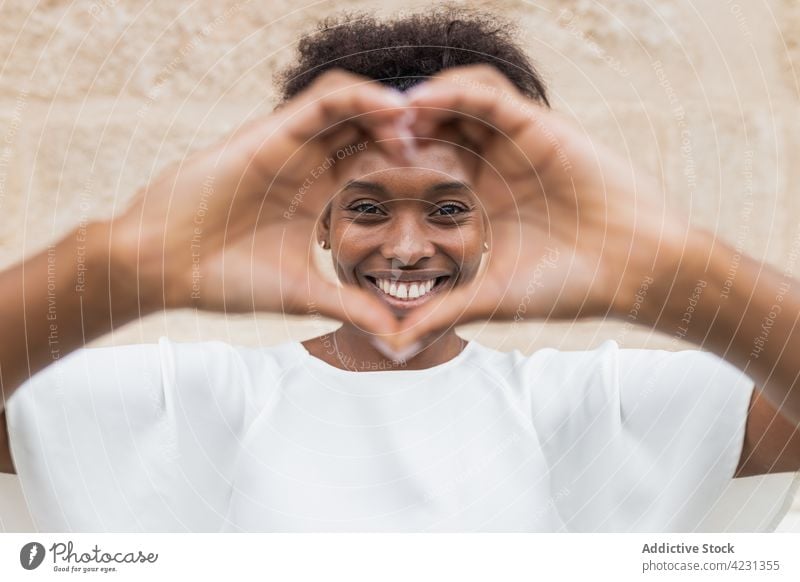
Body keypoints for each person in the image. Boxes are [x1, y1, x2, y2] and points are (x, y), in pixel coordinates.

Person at [0, 9, 798, 532]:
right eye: (368, 208)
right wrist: (136, 263)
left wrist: (667, 274)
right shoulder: (200, 400)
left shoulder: (581, 407)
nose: (408, 248)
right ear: (316, 215)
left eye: (450, 209)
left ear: (496, 224)